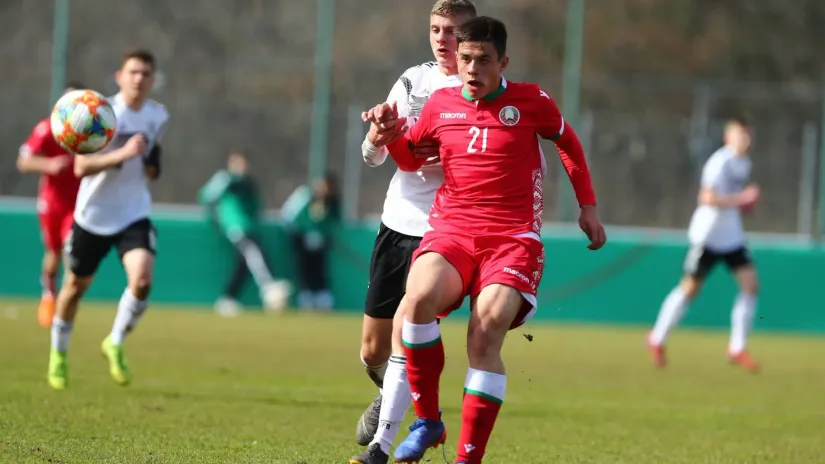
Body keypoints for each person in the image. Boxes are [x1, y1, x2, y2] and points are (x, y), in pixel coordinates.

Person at [363, 16, 606, 463]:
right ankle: (429, 421)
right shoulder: (439, 103)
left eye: (483, 60)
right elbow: (411, 160)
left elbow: (567, 142)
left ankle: (466, 459)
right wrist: (388, 134)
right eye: (465, 59)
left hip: (513, 239)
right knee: (415, 304)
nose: (471, 68)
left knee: (484, 332)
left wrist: (587, 206)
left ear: (503, 62)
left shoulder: (531, 101)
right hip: (452, 230)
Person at [350, 2, 477, 462]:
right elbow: (373, 156)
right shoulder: (413, 80)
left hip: (445, 233)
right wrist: (377, 137)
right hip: (396, 223)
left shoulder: (478, 89)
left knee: (410, 326)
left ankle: (391, 436)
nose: (443, 39)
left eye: (454, 31)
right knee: (371, 351)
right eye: (435, 29)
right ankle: (395, 396)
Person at [47, 49, 169, 390]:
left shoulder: (158, 115)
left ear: (152, 79)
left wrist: (150, 163)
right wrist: (122, 154)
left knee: (142, 281)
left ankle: (114, 341)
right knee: (74, 287)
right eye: (133, 72)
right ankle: (59, 355)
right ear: (120, 76)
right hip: (94, 214)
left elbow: (151, 160)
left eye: (146, 73)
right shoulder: (97, 111)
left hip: (133, 212)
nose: (139, 79)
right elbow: (81, 167)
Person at [648, 119, 760, 371]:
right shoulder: (719, 163)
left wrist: (745, 204)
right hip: (708, 236)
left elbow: (732, 201)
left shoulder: (744, 163)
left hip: (732, 237)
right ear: (727, 137)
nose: (746, 140)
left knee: (751, 286)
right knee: (689, 289)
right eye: (740, 135)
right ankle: (657, 339)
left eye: (748, 135)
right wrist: (742, 199)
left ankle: (737, 347)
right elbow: (707, 197)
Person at [16, 82, 84, 328]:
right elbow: (23, 161)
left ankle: (66, 303)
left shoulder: (90, 131)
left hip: (78, 205)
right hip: (52, 204)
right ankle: (48, 294)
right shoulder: (47, 129)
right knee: (53, 254)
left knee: (71, 251)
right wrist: (49, 165)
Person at [198, 150, 290, 315]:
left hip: (250, 226)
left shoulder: (249, 183)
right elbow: (207, 196)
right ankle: (269, 286)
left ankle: (227, 299)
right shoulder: (225, 180)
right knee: (254, 252)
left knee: (244, 264)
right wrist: (216, 220)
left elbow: (256, 205)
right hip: (235, 226)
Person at [282, 173, 341, 310]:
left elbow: (333, 223)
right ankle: (306, 299)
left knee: (319, 269)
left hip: (320, 243)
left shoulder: (333, 203)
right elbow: (289, 216)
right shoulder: (304, 196)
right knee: (304, 269)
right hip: (301, 240)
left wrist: (321, 236)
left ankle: (322, 299)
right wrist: (304, 234)